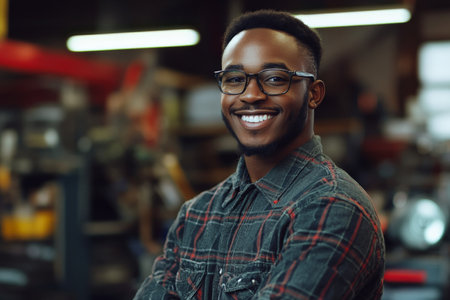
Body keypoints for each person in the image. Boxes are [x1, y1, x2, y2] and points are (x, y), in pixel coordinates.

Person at [133, 9, 385, 300]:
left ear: (314, 93)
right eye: (234, 78)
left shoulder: (333, 208)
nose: (250, 95)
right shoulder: (197, 214)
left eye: (275, 79)